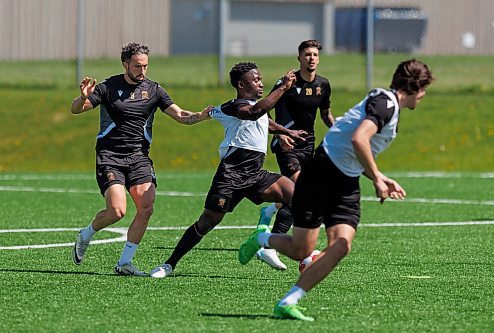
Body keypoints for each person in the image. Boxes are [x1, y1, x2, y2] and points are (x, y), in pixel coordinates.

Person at [239, 59, 435, 320]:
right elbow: (359, 139)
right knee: (300, 250)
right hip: (321, 173)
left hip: (346, 182)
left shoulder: (391, 109)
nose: (423, 96)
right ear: (416, 87)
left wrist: (380, 176)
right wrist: (376, 177)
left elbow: (353, 149)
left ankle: (288, 301)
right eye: (423, 90)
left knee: (341, 246)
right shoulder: (385, 103)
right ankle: (261, 239)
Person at [150, 62, 307, 278]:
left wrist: (285, 132)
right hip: (231, 175)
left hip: (256, 172)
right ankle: (168, 265)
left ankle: (272, 247)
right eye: (256, 80)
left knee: (298, 196)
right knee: (207, 222)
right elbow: (254, 112)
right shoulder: (236, 106)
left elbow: (264, 120)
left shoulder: (254, 106)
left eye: (261, 79)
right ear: (242, 84)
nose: (261, 83)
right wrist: (282, 88)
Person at [70, 42, 211, 276]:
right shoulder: (108, 87)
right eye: (137, 66)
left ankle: (125, 263)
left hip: (139, 158)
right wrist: (81, 97)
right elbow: (77, 109)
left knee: (146, 207)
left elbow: (180, 115)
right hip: (110, 157)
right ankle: (86, 234)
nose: (142, 71)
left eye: (145, 66)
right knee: (116, 211)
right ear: (125, 64)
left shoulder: (154, 90)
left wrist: (200, 116)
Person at [255, 40, 335, 270]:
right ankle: (273, 247)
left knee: (296, 196)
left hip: (308, 146)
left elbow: (326, 115)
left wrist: (341, 131)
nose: (311, 58)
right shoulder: (287, 82)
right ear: (299, 58)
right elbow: (263, 109)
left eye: (315, 54)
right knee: (302, 193)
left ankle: (272, 211)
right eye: (307, 54)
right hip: (286, 145)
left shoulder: (323, 85)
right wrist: (280, 134)